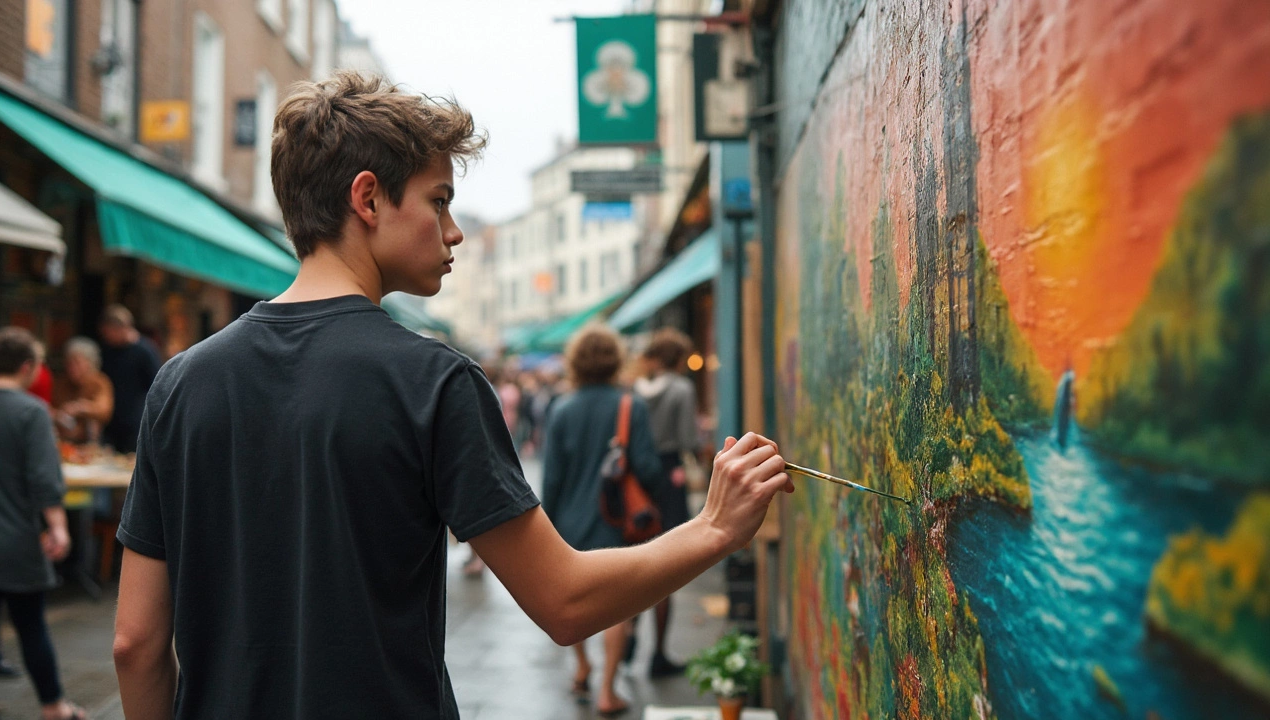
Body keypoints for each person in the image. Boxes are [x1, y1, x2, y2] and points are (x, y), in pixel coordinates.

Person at [112, 71, 791, 720]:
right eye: (439, 200)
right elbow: (565, 602)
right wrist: (715, 528)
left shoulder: (180, 382)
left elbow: (136, 644)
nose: (454, 229)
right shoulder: (433, 382)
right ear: (369, 198)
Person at [541, 325, 664, 714]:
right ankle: (608, 691)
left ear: (575, 362)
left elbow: (552, 477)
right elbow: (646, 467)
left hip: (570, 522)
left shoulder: (560, 409)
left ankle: (582, 666)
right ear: (615, 360)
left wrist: (549, 525)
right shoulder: (631, 405)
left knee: (574, 597)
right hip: (615, 522)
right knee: (617, 606)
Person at [0, 327, 87, 720]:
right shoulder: (31, 412)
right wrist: (59, 527)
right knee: (31, 626)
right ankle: (54, 707)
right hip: (16, 539)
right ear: (27, 367)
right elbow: (44, 480)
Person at [631, 328, 703, 677]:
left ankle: (628, 631)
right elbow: (689, 437)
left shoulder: (635, 390)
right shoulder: (682, 389)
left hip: (638, 479)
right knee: (667, 564)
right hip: (670, 474)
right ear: (678, 358)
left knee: (632, 558)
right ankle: (658, 654)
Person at [97, 305, 161, 453]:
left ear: (119, 328)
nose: (106, 337)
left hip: (135, 421)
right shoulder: (108, 349)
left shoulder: (145, 351)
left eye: (108, 332)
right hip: (112, 421)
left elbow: (156, 386)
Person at [52, 337, 114, 445]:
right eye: (69, 363)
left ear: (90, 363)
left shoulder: (99, 382)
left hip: (90, 442)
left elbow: (104, 410)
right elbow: (53, 407)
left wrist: (79, 407)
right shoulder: (62, 382)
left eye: (77, 363)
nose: (72, 368)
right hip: (64, 440)